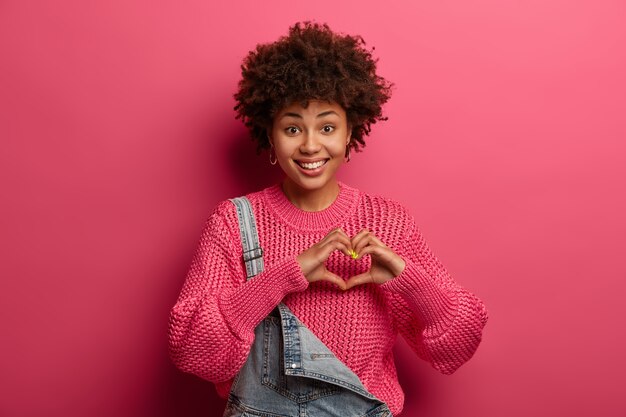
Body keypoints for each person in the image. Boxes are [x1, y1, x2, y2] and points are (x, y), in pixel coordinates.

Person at [167, 21, 488, 416]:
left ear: (351, 130)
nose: (310, 144)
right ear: (269, 134)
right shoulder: (235, 223)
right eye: (292, 128)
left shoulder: (387, 222)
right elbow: (193, 351)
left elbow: (460, 344)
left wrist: (409, 281)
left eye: (328, 127)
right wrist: (283, 277)